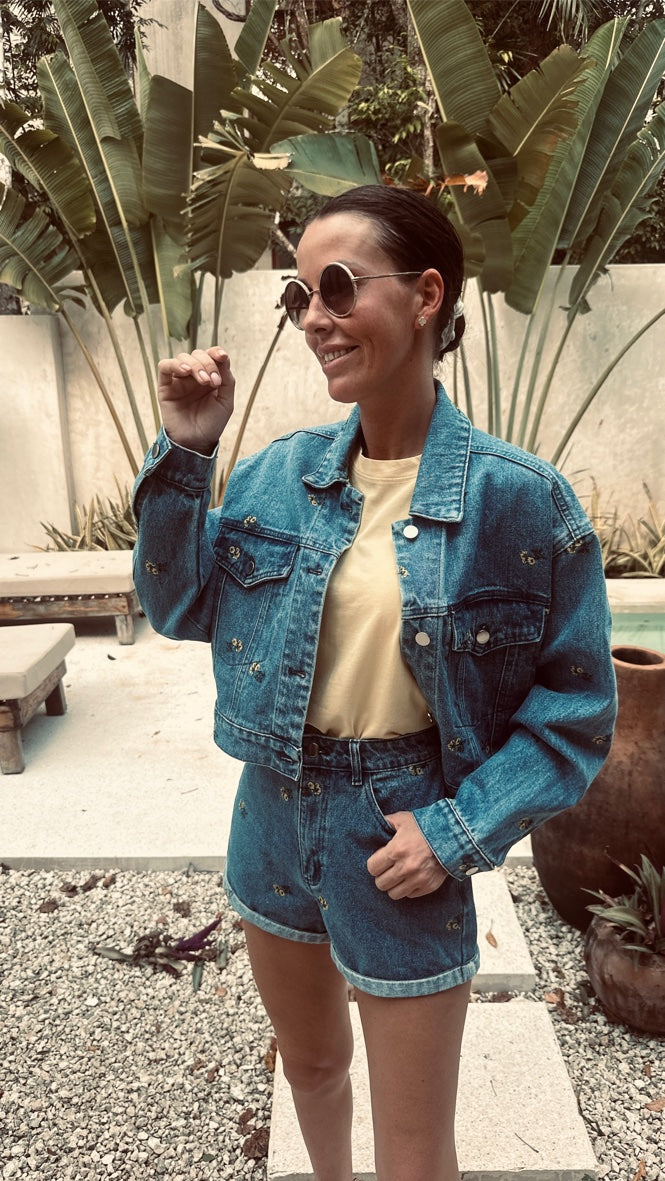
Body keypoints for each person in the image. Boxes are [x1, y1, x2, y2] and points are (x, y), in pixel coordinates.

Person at [132, 184, 617, 1181]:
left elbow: (574, 712)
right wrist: (186, 447)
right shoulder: (278, 474)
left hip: (402, 834)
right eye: (298, 295)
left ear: (426, 294)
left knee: (412, 1147)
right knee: (311, 1067)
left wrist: (458, 829)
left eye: (337, 287)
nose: (313, 317)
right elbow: (177, 604)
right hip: (269, 814)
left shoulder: (518, 501)